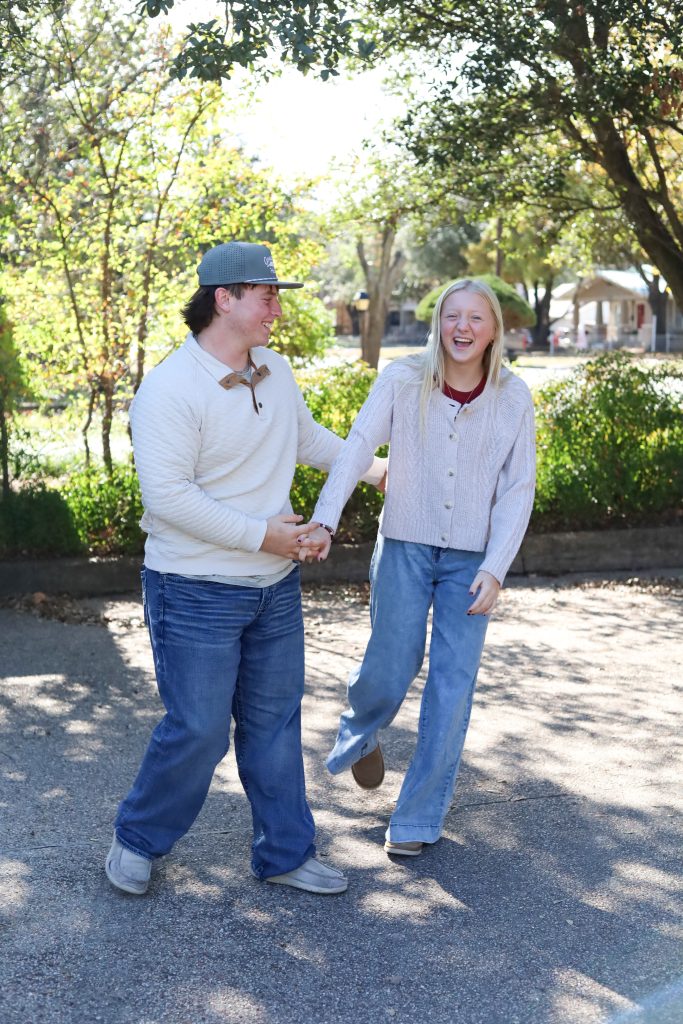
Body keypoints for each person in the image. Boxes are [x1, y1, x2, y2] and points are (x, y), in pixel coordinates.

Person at [105, 241, 385, 896]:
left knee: (274, 724)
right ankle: (138, 837)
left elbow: (306, 439)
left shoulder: (275, 371)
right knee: (199, 729)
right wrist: (265, 537)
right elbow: (168, 499)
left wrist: (372, 471)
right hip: (193, 589)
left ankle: (285, 853)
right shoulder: (170, 390)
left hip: (273, 591)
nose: (276, 311)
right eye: (266, 296)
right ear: (223, 299)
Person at [307, 278, 536, 857]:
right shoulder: (402, 380)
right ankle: (360, 733)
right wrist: (326, 520)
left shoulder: (513, 397)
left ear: (493, 331)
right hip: (405, 544)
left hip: (471, 558)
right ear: (438, 323)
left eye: (475, 318)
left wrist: (496, 567)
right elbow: (359, 446)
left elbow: (518, 488)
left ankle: (417, 816)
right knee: (393, 661)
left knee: (452, 684)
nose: (462, 327)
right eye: (450, 315)